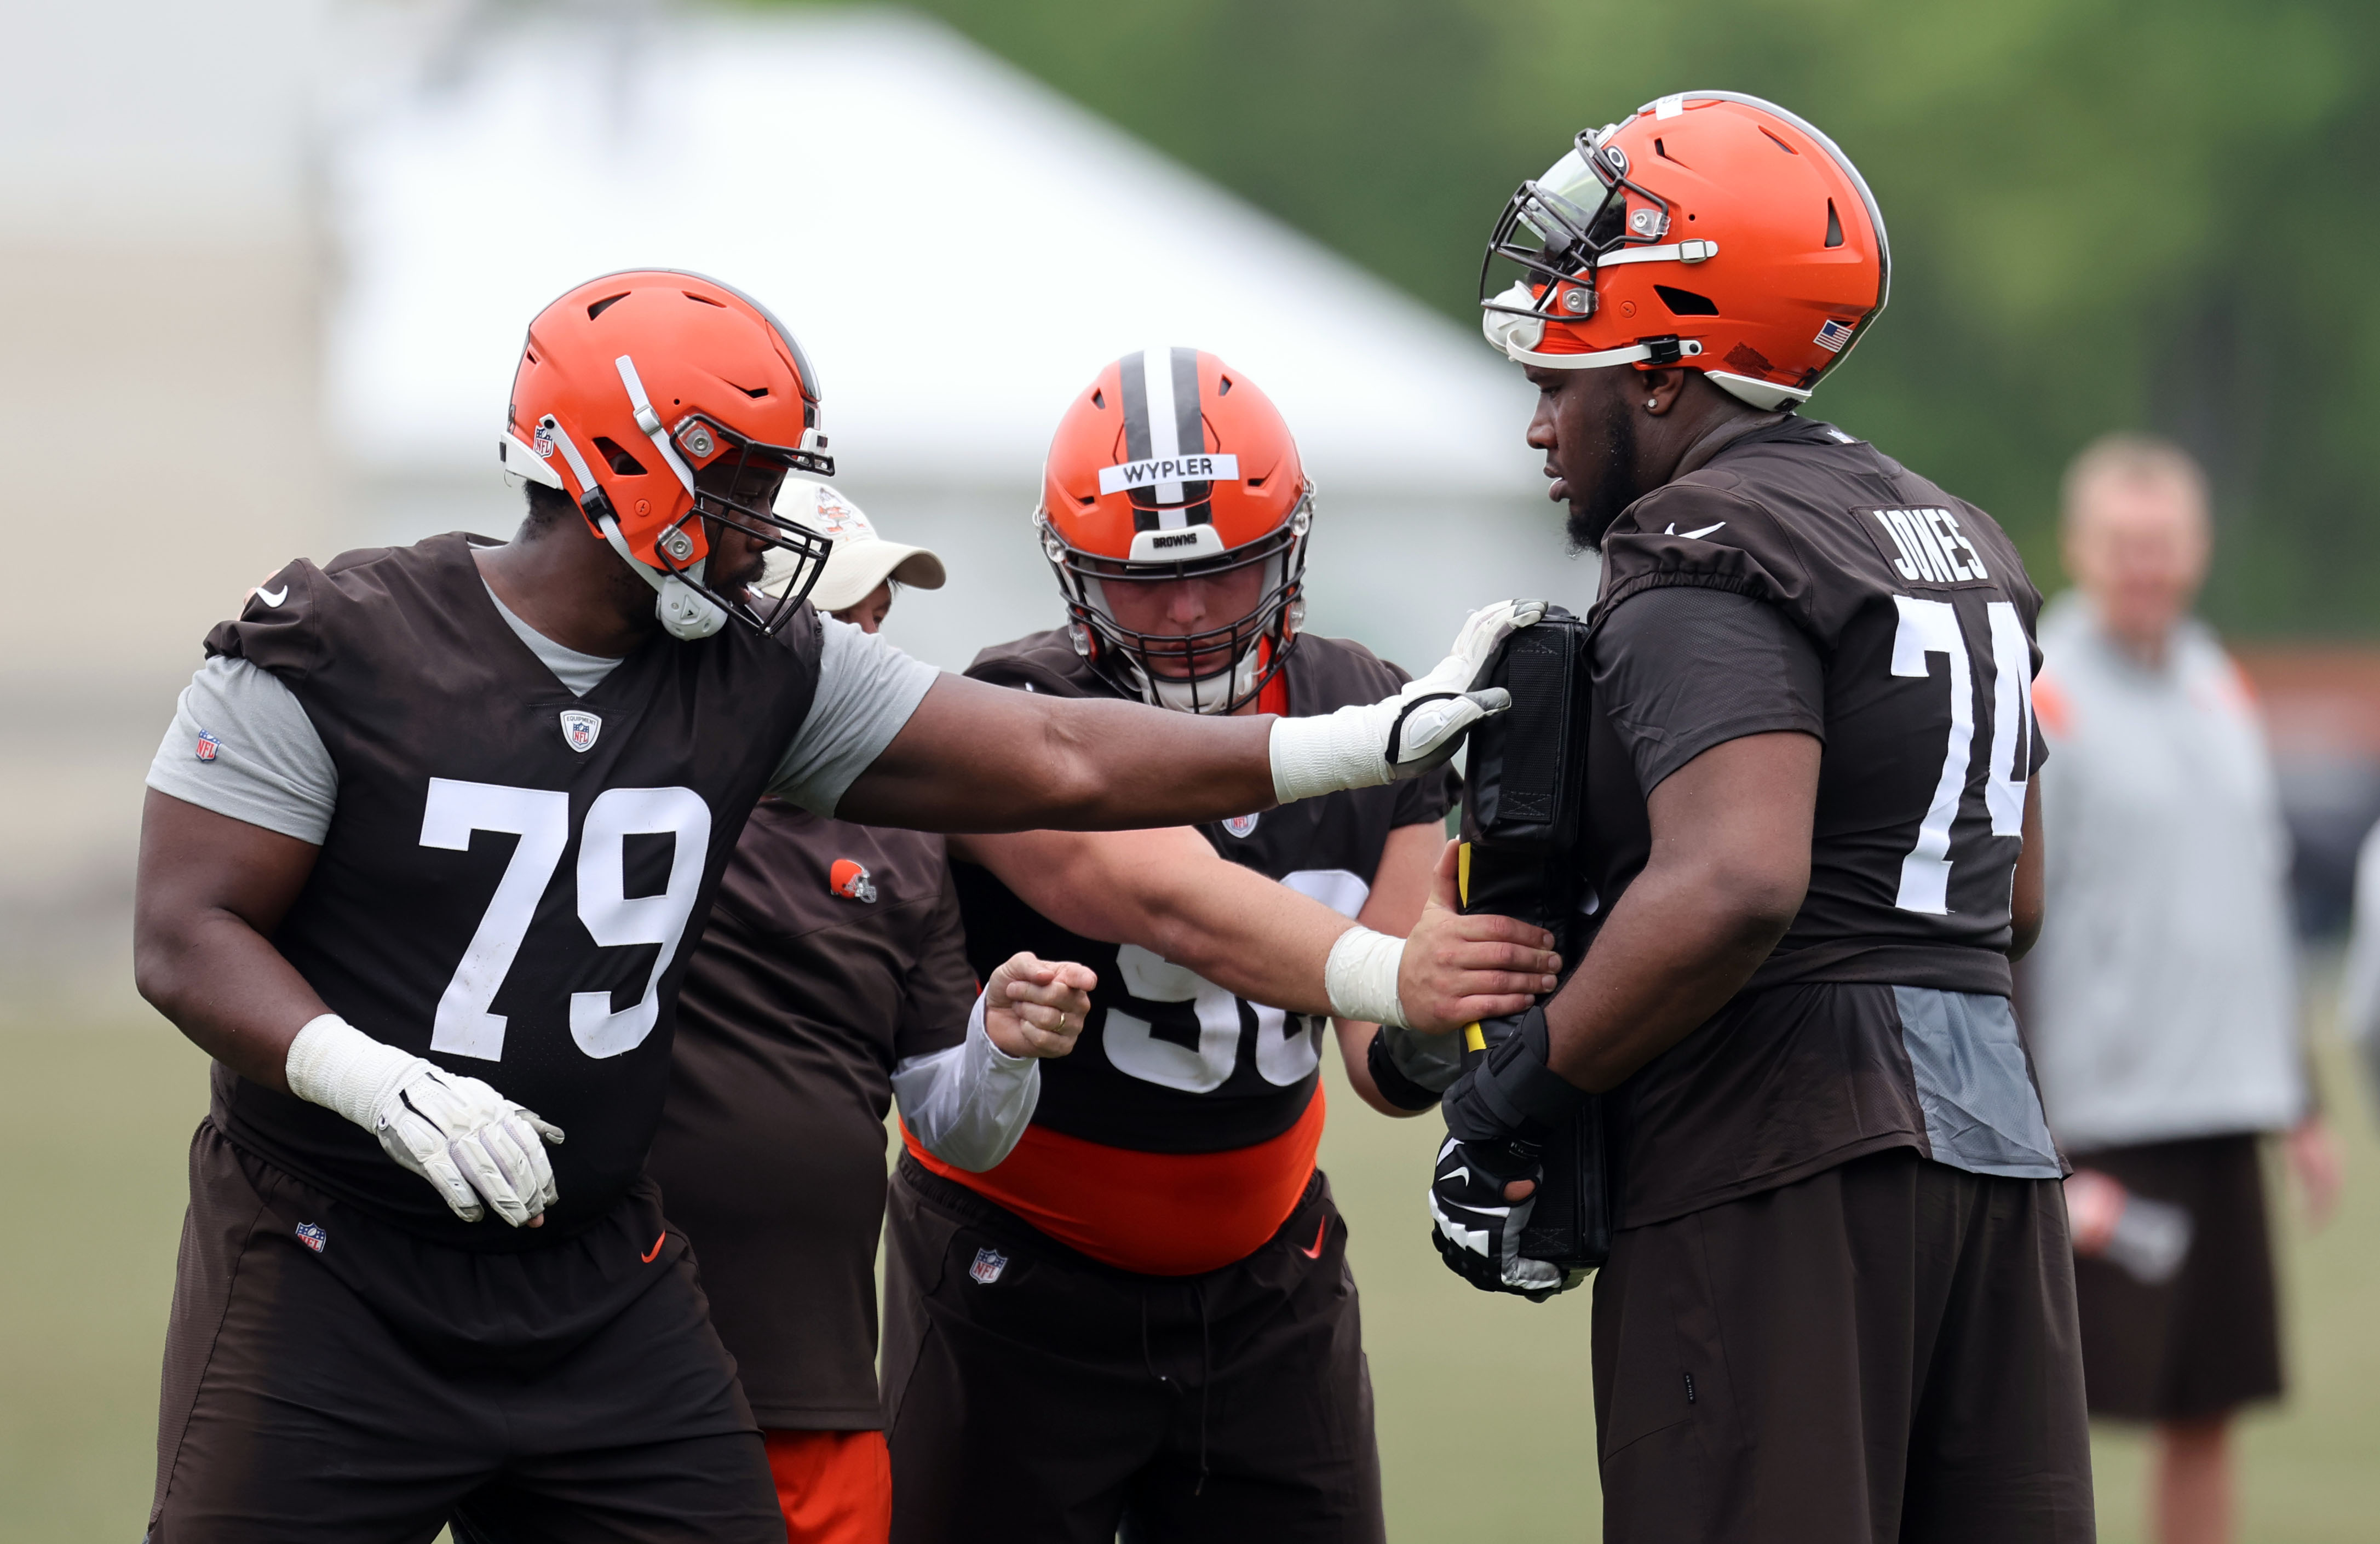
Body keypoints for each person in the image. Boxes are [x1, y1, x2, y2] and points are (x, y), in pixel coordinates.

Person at [130, 270, 1522, 1543]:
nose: (766, 534)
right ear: (623, 467)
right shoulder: (337, 639)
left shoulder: (759, 670)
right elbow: (185, 930)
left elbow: (1059, 756)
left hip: (593, 1266)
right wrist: (363, 1075)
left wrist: (1356, 744)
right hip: (332, 1249)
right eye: (739, 487)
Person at [1427, 93, 2092, 1540]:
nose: (1540, 423)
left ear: (1668, 376)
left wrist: (1514, 1087)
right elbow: (2015, 895)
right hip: (1993, 1145)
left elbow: (1734, 879)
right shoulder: (1955, 532)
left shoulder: (1700, 540)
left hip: (1777, 1153)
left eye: (1567, 375)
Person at [878, 348, 1563, 1544]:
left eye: (1222, 572)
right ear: (1075, 577)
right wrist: (1398, 975)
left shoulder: (1368, 694)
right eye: (1143, 584)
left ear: (1286, 553)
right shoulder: (1016, 706)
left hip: (1266, 1279)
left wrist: (1458, 1027)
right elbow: (1164, 898)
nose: (1189, 613)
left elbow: (1378, 1061)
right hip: (1018, 1284)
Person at [2026, 434, 2341, 1544]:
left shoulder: (2217, 682)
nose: (2145, 566)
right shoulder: (2045, 696)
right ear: (2078, 548)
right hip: (2099, 1114)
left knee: (2208, 1410)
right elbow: (2008, 932)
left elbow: (2251, 901)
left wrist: (2299, 1099)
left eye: (2162, 545)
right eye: (2123, 544)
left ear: (2197, 550)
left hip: (2222, 1106)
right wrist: (2027, 1132)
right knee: (2041, 1415)